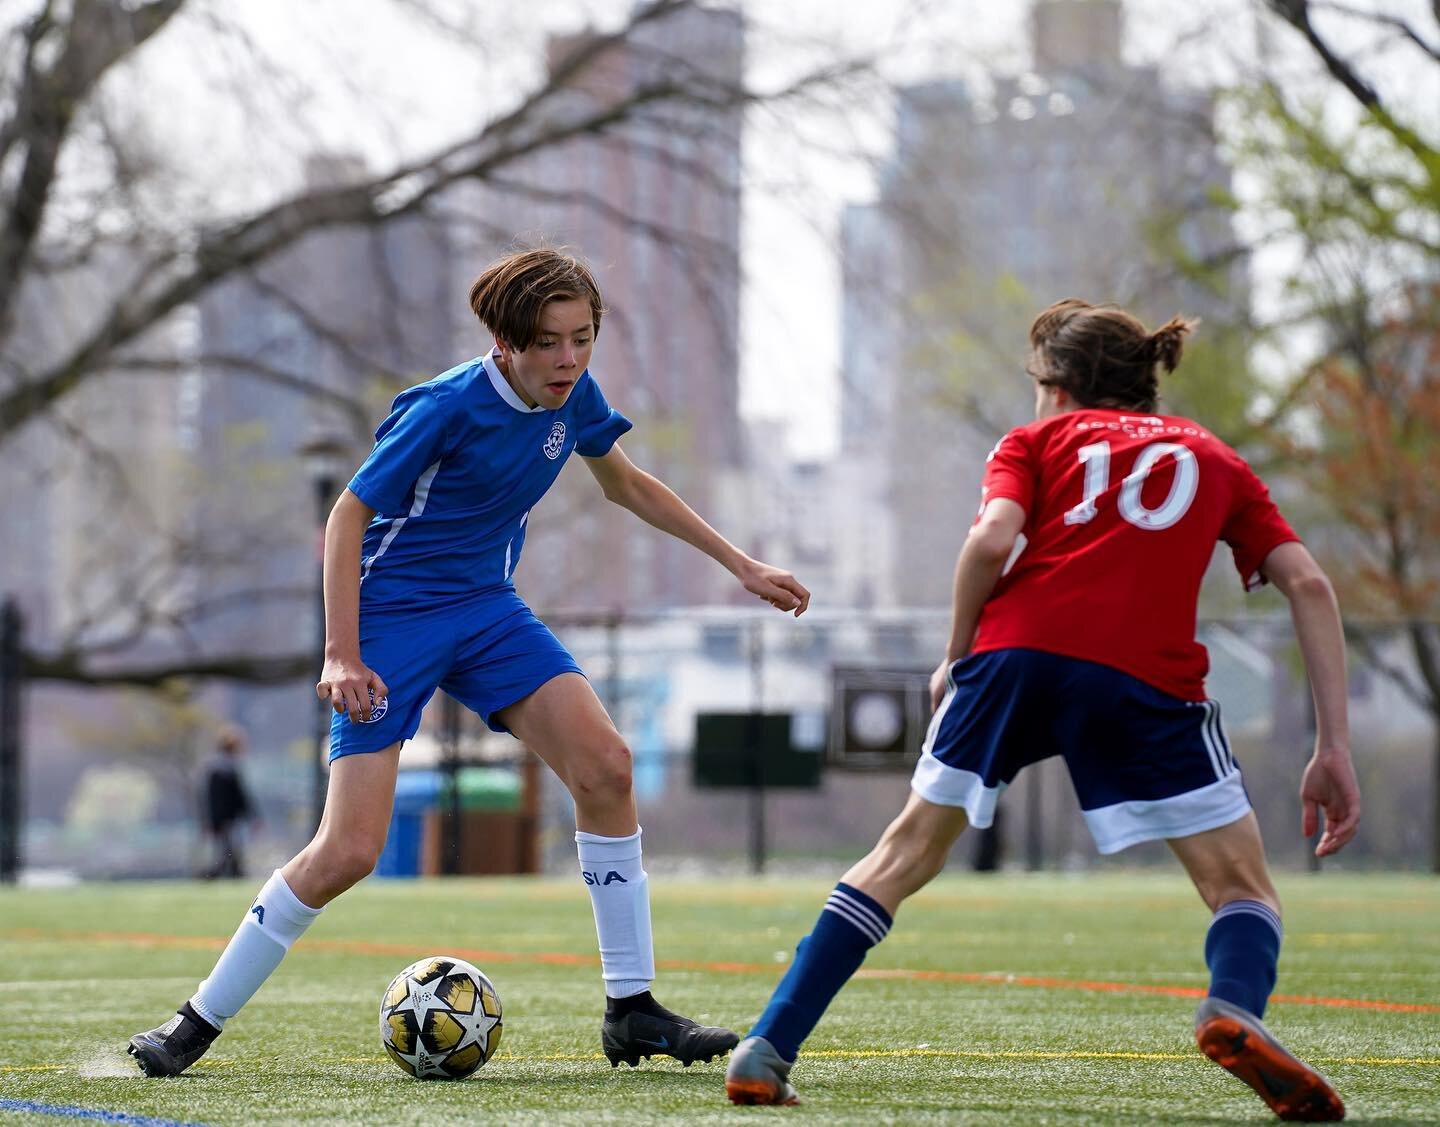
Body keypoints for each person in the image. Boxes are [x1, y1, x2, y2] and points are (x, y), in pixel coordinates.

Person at [129, 246, 810, 1078]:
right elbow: (348, 515)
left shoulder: (576, 397)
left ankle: (631, 1009)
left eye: (583, 338)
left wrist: (741, 564)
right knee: (348, 850)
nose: (568, 359)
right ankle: (194, 1022)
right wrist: (341, 649)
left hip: (487, 609)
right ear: (505, 343)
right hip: (392, 619)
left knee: (607, 766)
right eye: (550, 342)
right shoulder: (445, 406)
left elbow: (626, 484)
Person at [724, 299, 1360, 1122]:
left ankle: (767, 1046)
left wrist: (956, 654)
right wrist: (1332, 743)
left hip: (1014, 658)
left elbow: (992, 540)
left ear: (1057, 387)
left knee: (901, 855)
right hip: (1143, 678)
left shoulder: (1034, 440)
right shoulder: (1213, 457)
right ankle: (1233, 1008)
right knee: (1243, 888)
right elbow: (1308, 582)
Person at [199, 727, 257, 880]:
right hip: (227, 819)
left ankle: (231, 873)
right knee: (228, 850)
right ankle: (217, 875)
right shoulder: (226, 768)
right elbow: (240, 797)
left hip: (223, 819)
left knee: (227, 849)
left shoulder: (216, 767)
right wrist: (252, 817)